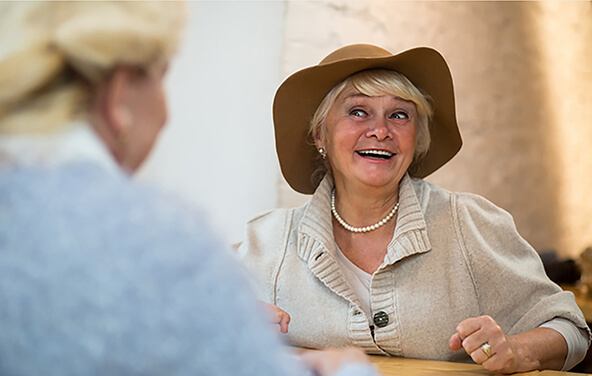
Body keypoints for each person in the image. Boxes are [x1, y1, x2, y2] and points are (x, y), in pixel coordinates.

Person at [0, 3, 379, 376]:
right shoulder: (155, 239)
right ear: (119, 96)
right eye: (162, 79)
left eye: (399, 114)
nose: (379, 131)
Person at [236, 43, 591, 373]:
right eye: (358, 112)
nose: (380, 130)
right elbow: (192, 332)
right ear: (320, 136)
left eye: (399, 115)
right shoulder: (266, 243)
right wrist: (230, 328)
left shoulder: (468, 224)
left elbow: (570, 329)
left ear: (416, 139)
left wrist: (517, 349)